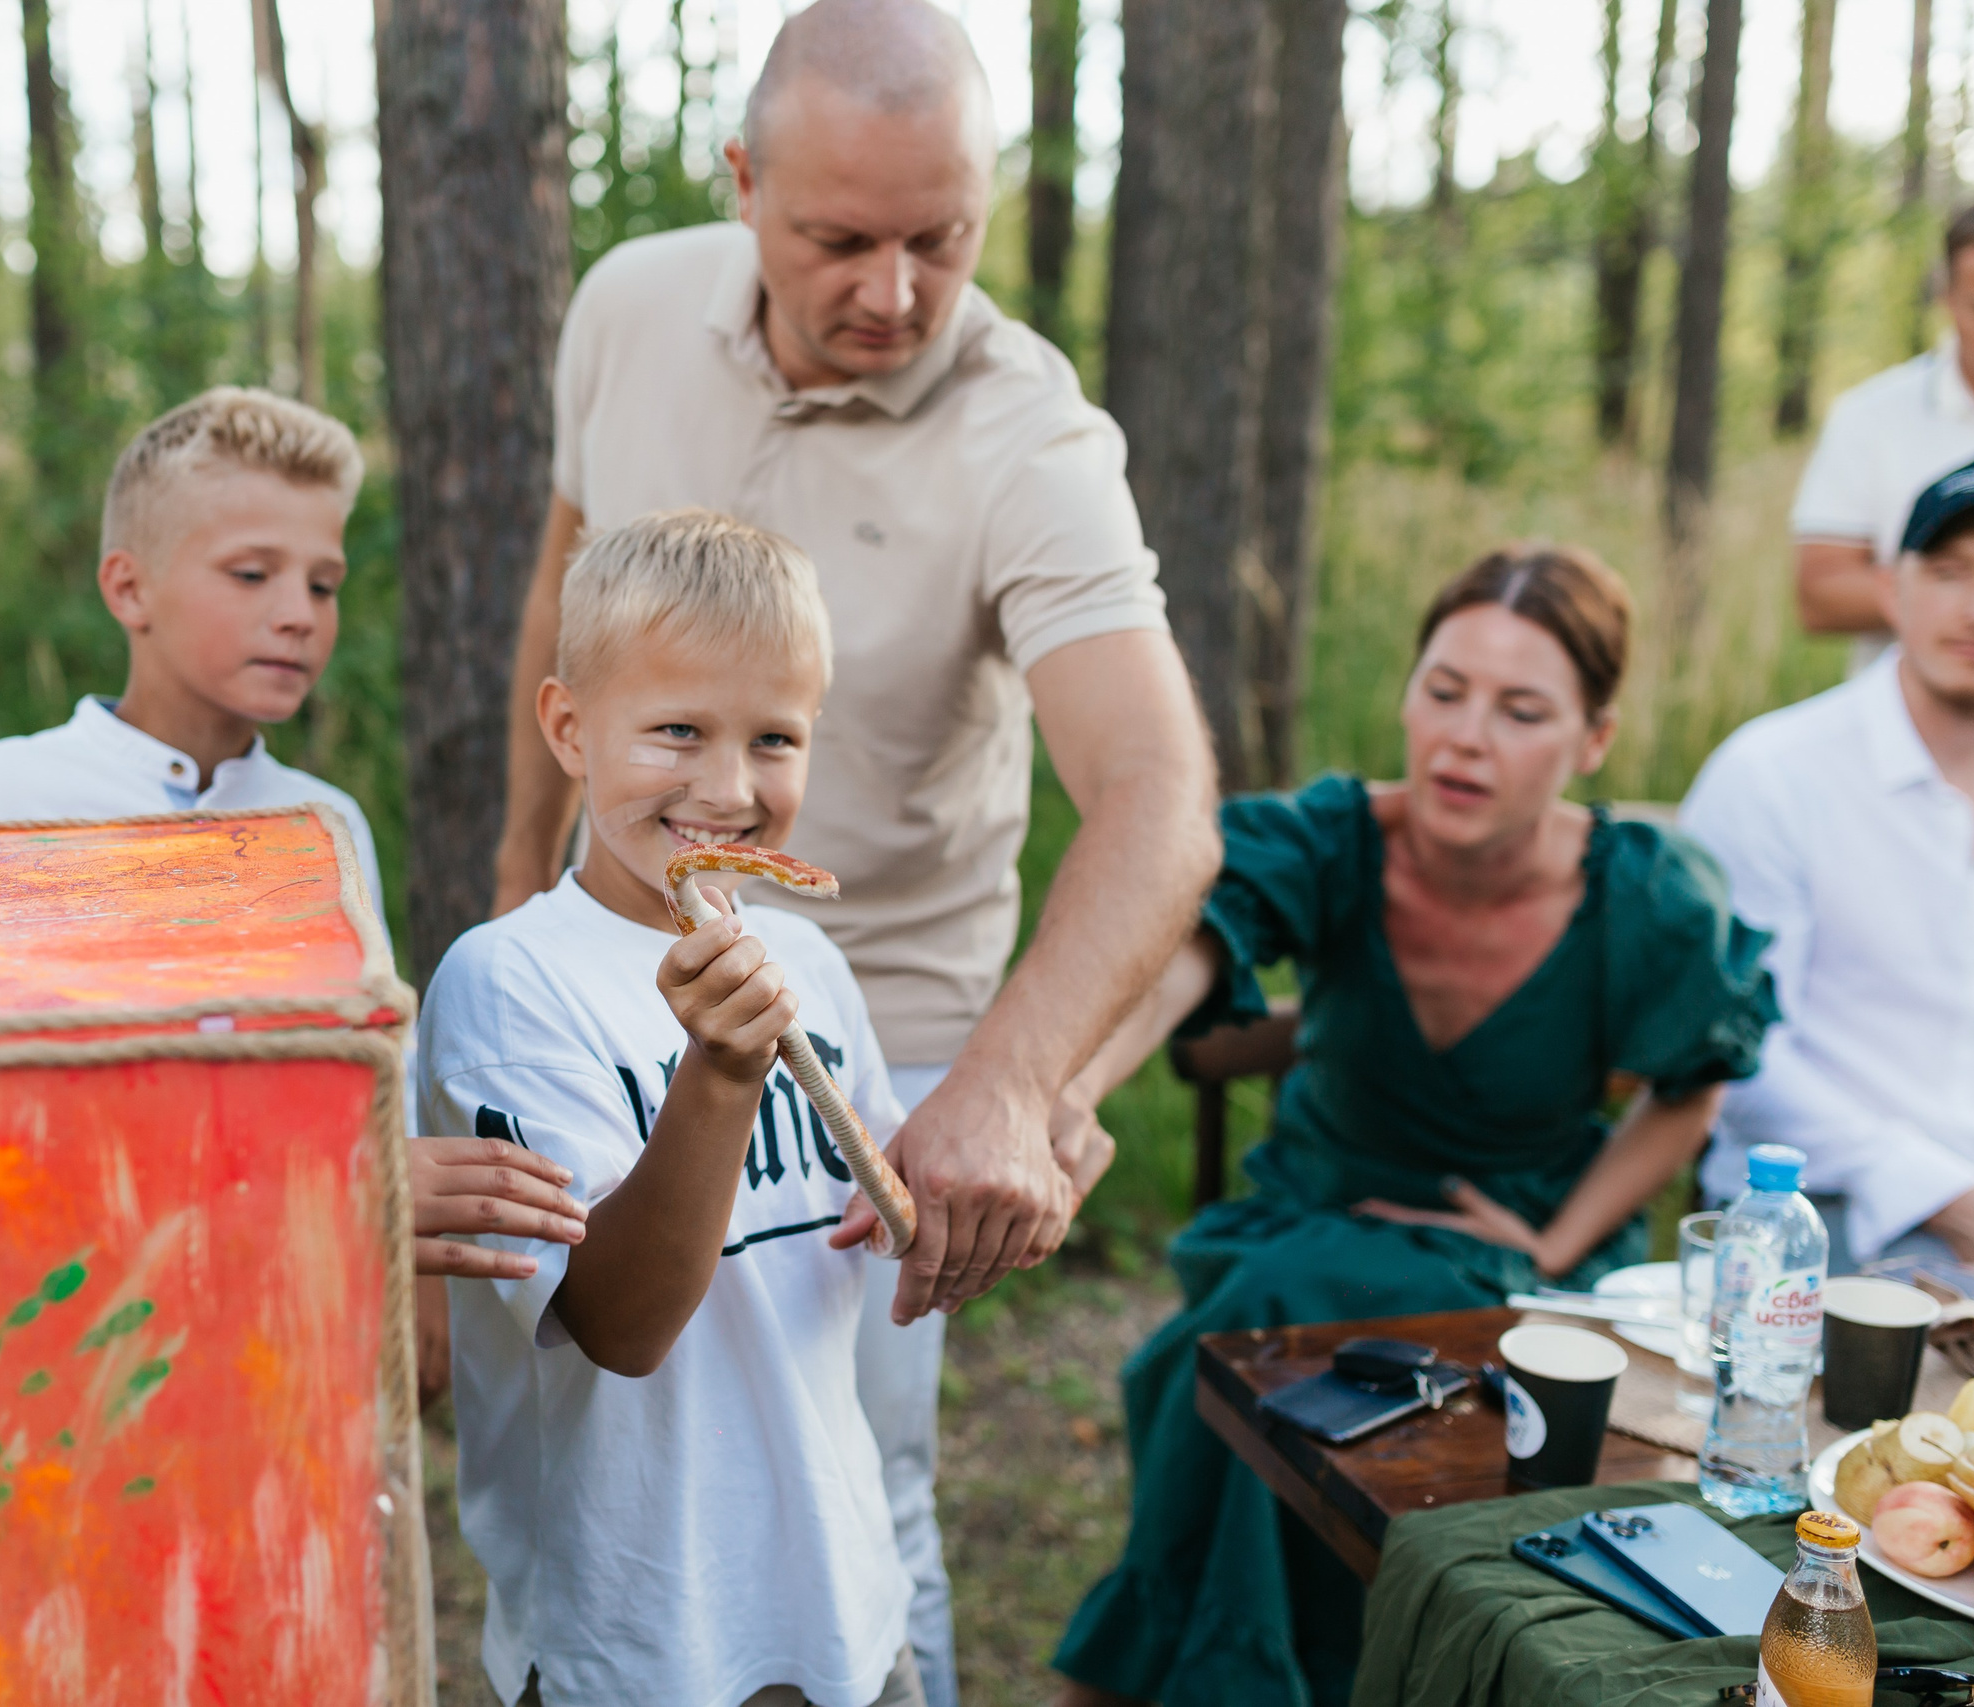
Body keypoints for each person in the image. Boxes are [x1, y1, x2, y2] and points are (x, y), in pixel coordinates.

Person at [486, 3, 1218, 1690]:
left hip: (883, 1033)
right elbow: (563, 587)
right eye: (839, 239)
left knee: (853, 1482)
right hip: (611, 979)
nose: (893, 293)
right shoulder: (629, 304)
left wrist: (1021, 1086)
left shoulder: (1034, 440)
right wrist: (527, 881)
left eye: (939, 241)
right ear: (743, 182)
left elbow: (1165, 798)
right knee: (596, 1427)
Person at [1049, 545, 1777, 1707]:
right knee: (1278, 1308)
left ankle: (1164, 1674)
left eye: (1520, 710)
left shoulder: (1642, 892)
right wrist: (1066, 1087)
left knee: (1268, 1331)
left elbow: (1693, 1082)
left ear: (1591, 741)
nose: (1465, 737)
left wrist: (1554, 1241)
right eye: (1443, 691)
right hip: (1310, 1210)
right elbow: (1186, 943)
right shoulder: (1335, 838)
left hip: (1513, 1253)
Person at [0, 386, 591, 1291]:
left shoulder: (324, 825)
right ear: (128, 587)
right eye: (251, 574)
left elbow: (366, 1099)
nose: (300, 614)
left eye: (324, 583)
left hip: (270, 1318)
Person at [421, 509, 919, 1707]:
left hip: (847, 1610)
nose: (729, 787)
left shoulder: (809, 958)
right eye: (678, 731)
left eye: (775, 739)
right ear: (568, 728)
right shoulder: (509, 982)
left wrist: (975, 1193)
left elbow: (888, 1214)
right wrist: (721, 1075)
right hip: (634, 1642)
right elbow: (620, 1326)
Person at [1682, 455, 1974, 1274]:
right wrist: (1955, 1201)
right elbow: (1739, 1061)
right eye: (1951, 571)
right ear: (1892, 588)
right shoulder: (1774, 773)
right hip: (1813, 1215)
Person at [1792, 195, 1974, 671]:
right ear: (1945, 297)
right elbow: (1819, 595)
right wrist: (1966, 597)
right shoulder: (1871, 416)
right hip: (1907, 733)